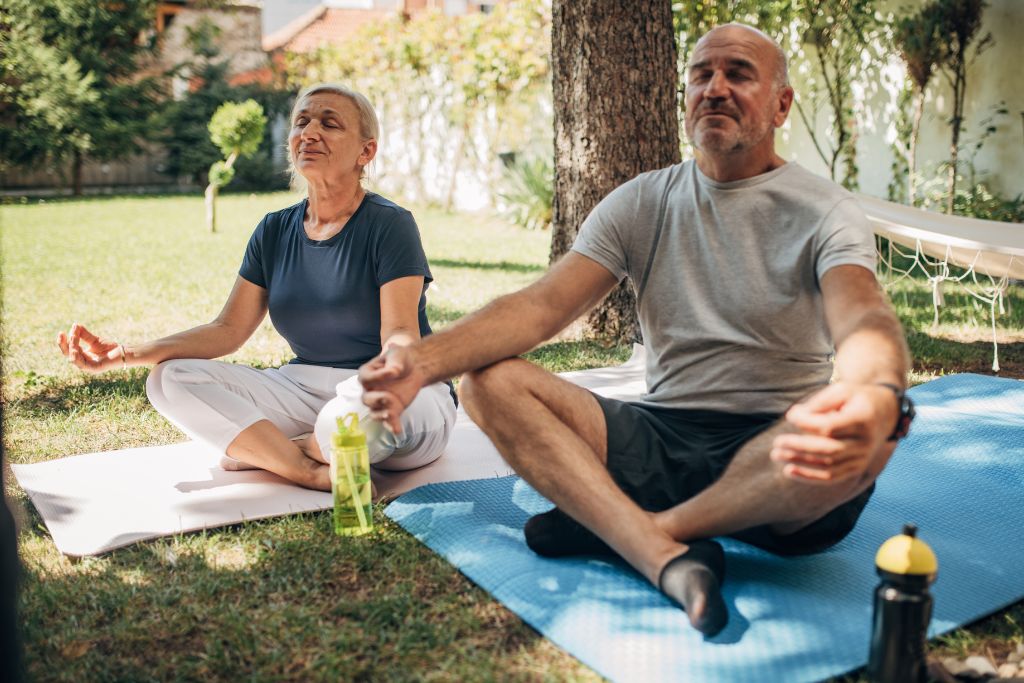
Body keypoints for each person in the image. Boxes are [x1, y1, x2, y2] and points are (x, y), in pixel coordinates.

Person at [358, 24, 913, 636]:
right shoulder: (643, 200)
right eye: (701, 75)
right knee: (489, 383)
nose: (716, 88)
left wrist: (875, 394)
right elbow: (542, 307)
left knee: (860, 445)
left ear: (782, 103)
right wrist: (422, 363)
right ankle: (663, 557)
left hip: (776, 452)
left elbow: (863, 315)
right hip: (659, 437)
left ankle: (627, 529)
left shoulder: (824, 211)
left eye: (739, 74)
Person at [58, 83, 457, 491]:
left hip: (395, 391)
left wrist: (391, 378)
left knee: (351, 419)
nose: (310, 132)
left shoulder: (389, 224)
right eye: (302, 122)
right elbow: (227, 331)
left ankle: (276, 450)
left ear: (365, 152)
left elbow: (400, 333)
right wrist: (123, 354)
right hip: (303, 386)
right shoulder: (273, 229)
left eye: (329, 123)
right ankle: (307, 469)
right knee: (169, 379)